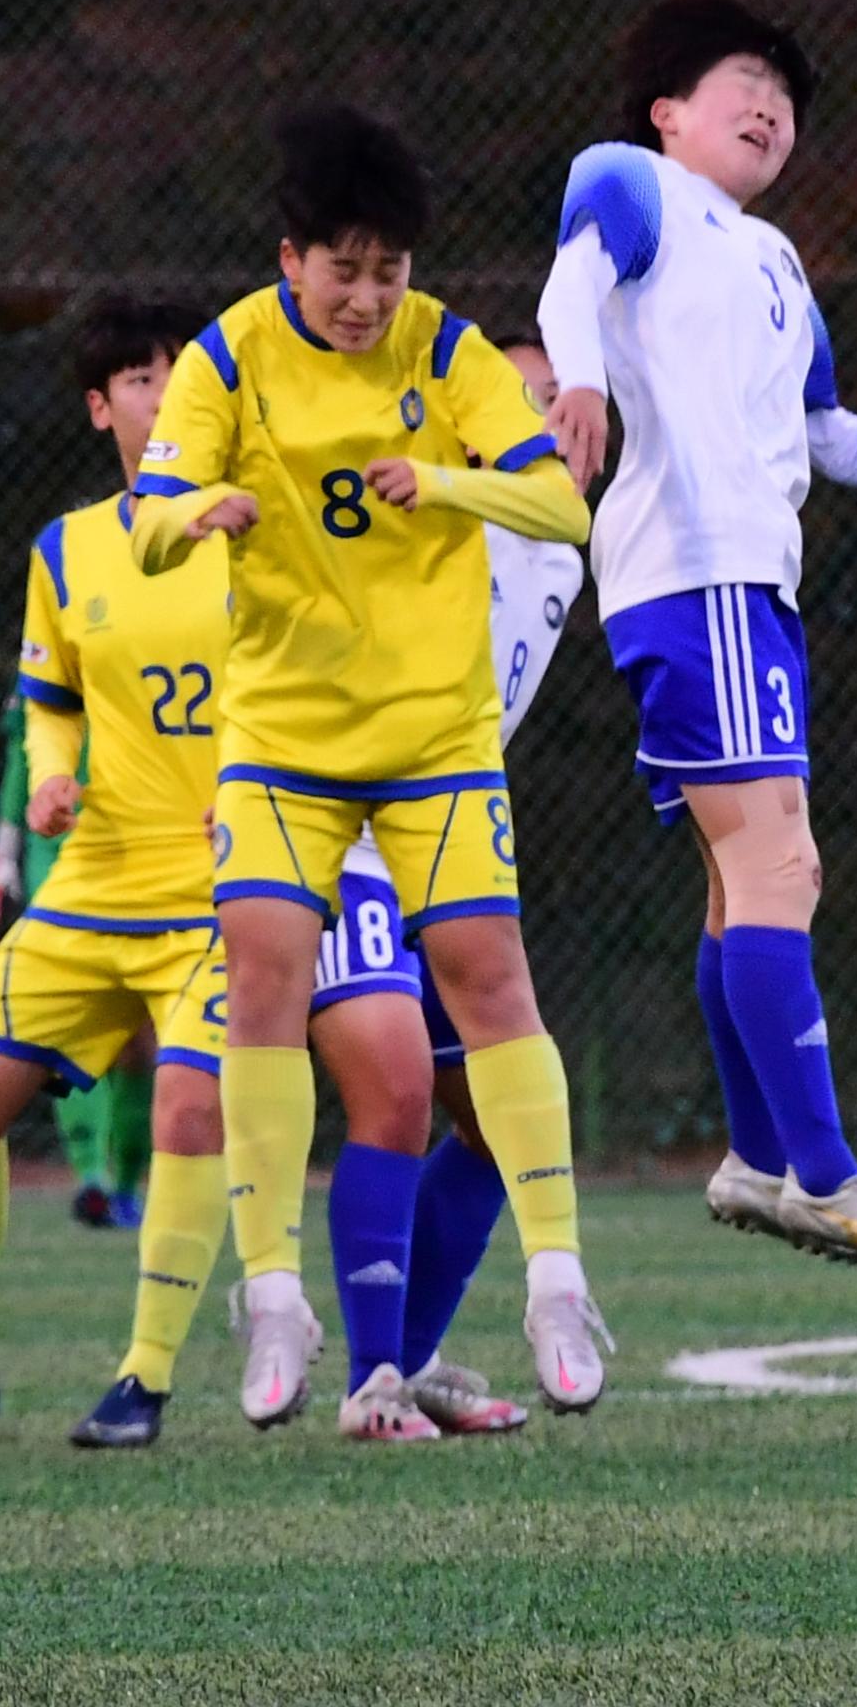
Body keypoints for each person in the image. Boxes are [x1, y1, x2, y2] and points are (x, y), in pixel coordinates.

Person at [538, 0, 857, 1267]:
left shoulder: (774, 260)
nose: (769, 104)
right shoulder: (632, 182)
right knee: (783, 870)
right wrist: (584, 378)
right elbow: (568, 287)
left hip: (750, 589)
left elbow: (842, 441)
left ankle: (762, 1160)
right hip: (695, 573)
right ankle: (826, 1174)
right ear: (668, 110)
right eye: (741, 81)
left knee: (738, 884)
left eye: (786, 94)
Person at [130, 105, 611, 1425]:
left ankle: (558, 1279)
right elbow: (151, 517)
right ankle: (274, 1295)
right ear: (294, 258)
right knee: (267, 979)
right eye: (345, 269)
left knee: (492, 984)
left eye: (388, 270)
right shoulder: (227, 356)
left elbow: (563, 505)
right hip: (284, 747)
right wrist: (197, 511)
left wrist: (449, 484)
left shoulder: (446, 349)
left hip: (434, 744)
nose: (367, 296)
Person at [0, 298, 238, 1452]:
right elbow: (51, 701)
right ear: (100, 407)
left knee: (188, 1112)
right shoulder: (66, 546)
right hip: (92, 880)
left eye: (180, 376)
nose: (164, 394)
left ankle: (145, 1377)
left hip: (221, 892)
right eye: (139, 379)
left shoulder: (252, 525)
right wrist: (47, 775)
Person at [302, 325, 590, 1437]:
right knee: (395, 1091)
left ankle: (406, 1363)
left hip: (444, 845)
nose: (546, 415)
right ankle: (371, 1383)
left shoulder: (564, 548)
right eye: (522, 397)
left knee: (489, 1126)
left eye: (560, 399)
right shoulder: (415, 520)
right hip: (346, 836)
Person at [0, 693, 153, 1231]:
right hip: (57, 859)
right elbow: (22, 756)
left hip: (141, 853)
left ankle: (124, 1183)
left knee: (137, 1039)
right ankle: (92, 1180)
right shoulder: (53, 634)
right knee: (68, 1025)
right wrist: (4, 856)